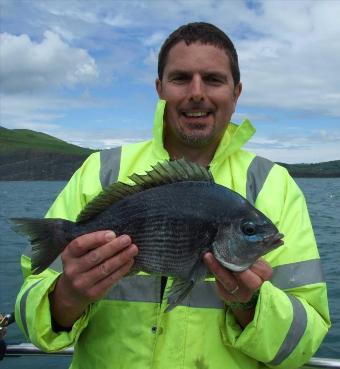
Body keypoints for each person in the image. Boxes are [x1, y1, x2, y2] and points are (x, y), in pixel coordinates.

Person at [15, 22, 330, 369]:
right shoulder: (100, 171)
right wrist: (67, 296)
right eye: (181, 78)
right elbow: (30, 310)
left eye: (213, 79)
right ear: (160, 88)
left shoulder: (275, 185)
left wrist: (251, 304)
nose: (197, 92)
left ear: (236, 92)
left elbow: (305, 341)